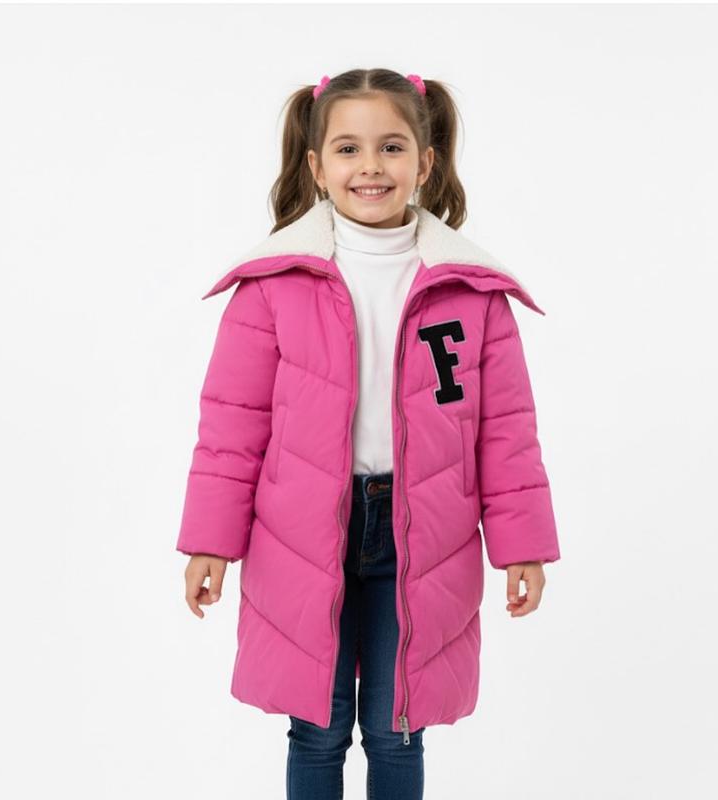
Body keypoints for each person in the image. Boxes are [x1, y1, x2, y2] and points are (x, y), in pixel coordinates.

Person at [176, 68, 561, 800]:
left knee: (397, 726)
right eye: (348, 149)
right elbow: (232, 426)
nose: (371, 167)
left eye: (391, 146)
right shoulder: (272, 285)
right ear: (317, 166)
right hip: (299, 532)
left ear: (426, 161)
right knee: (317, 729)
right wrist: (210, 542)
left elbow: (507, 433)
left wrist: (523, 545)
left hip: (426, 534)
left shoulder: (471, 290)